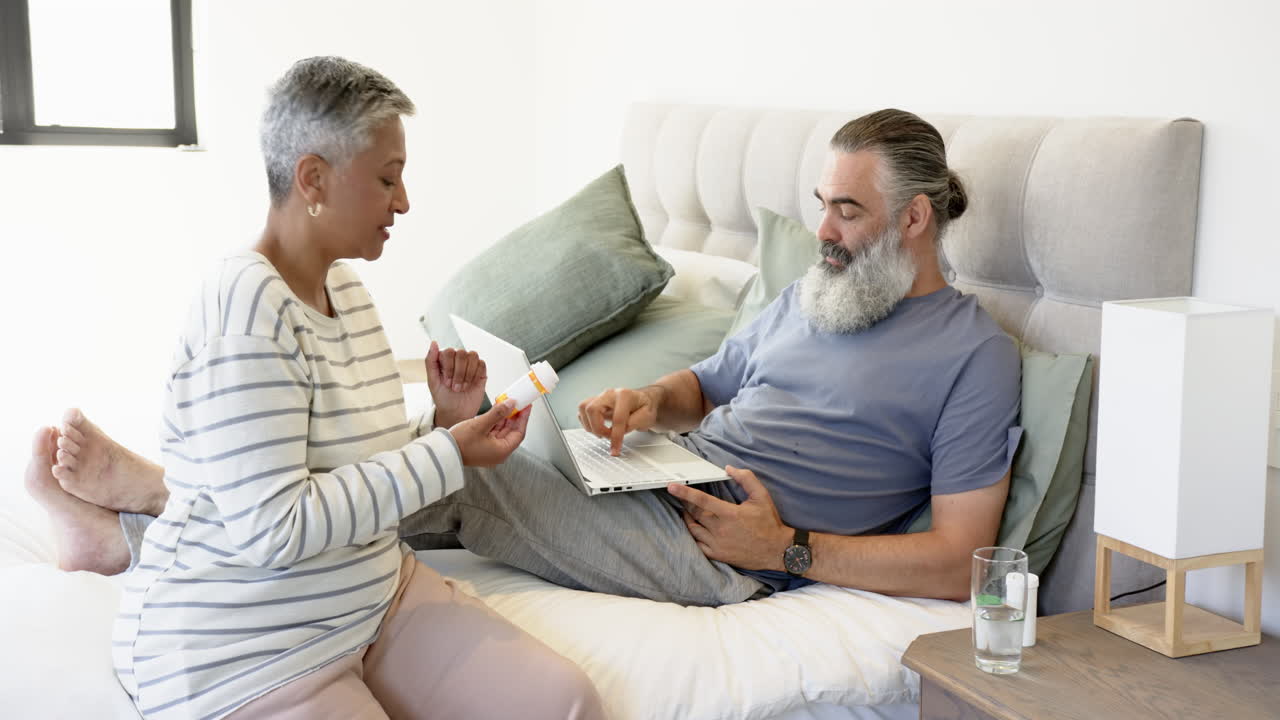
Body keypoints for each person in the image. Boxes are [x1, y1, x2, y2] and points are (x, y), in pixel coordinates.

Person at [30, 108, 1019, 614]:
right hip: (661, 480)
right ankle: (169, 508)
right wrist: (642, 401)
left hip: (728, 556)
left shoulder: (969, 357)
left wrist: (785, 552)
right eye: (820, 203)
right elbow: (704, 384)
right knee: (423, 447)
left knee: (448, 472)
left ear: (915, 217)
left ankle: (148, 523)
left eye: (844, 210)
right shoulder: (815, 297)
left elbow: (957, 563)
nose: (823, 230)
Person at [26, 56, 605, 720]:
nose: (404, 201)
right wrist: (449, 454)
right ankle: (118, 533)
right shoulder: (244, 309)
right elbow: (276, 530)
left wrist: (444, 427)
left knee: (569, 703)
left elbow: (357, 470)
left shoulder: (348, 293)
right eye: (389, 179)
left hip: (372, 597)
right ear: (314, 180)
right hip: (245, 650)